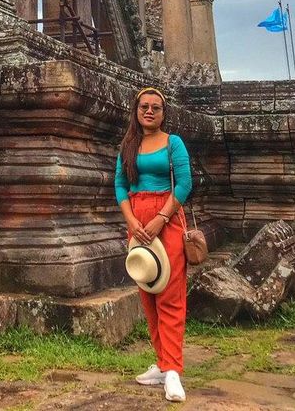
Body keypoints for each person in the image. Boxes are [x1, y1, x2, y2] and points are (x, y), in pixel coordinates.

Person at [114, 86, 192, 403]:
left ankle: (172, 371)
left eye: (155, 107)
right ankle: (162, 363)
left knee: (170, 294)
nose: (149, 111)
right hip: (137, 222)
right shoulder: (128, 147)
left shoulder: (173, 143)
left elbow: (185, 183)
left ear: (163, 113)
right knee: (147, 292)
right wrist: (132, 221)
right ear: (136, 111)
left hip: (167, 219)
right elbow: (120, 184)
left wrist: (160, 218)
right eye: (144, 106)